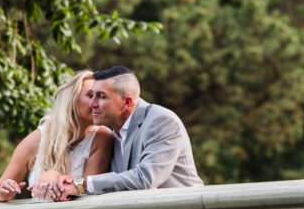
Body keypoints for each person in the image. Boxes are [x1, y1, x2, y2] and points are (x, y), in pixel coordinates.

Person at [31, 66, 202, 201]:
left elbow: (145, 178)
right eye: (91, 96)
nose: (92, 104)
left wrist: (79, 184)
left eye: (101, 96)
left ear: (127, 102)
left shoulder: (162, 122)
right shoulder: (111, 135)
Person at [0, 70, 115, 202]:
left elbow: (87, 186)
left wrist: (55, 176)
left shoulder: (102, 137)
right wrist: (2, 192)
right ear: (71, 99)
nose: (97, 103)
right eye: (90, 96)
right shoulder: (36, 139)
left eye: (101, 97)